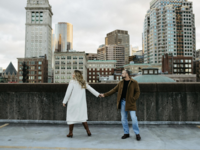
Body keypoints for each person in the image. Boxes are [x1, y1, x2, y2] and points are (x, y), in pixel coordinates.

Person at [100, 70, 141, 141]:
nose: (121, 74)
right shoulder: (120, 83)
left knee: (134, 118)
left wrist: (133, 99)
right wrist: (104, 94)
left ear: (127, 74)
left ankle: (137, 133)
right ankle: (126, 133)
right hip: (122, 102)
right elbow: (113, 90)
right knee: (123, 118)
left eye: (123, 73)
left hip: (131, 103)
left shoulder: (134, 82)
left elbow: (137, 92)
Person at [62, 70, 101, 138]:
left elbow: (68, 93)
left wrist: (64, 101)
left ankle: (70, 133)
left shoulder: (72, 82)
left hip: (72, 103)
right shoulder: (83, 82)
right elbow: (91, 89)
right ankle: (88, 131)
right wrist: (98, 94)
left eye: (73, 73)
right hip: (81, 103)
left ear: (76, 75)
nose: (72, 74)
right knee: (83, 118)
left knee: (71, 118)